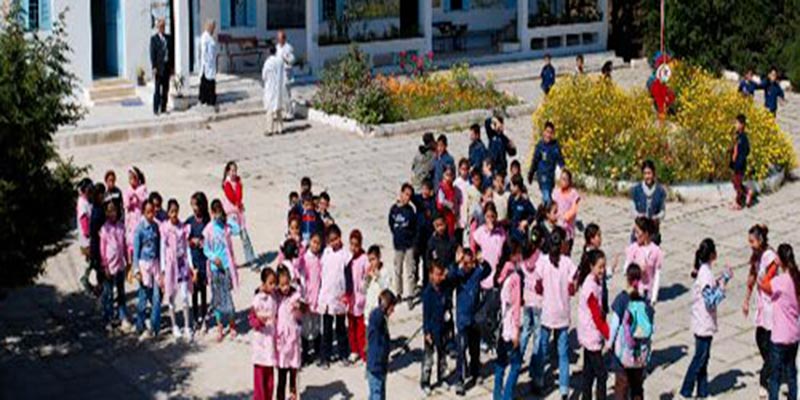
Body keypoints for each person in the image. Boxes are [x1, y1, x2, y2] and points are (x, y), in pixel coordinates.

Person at [679, 238, 731, 399]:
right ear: (713, 255)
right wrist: (724, 284)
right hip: (703, 322)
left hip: (701, 320)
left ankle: (702, 391)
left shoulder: (703, 271)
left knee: (704, 358)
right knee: (699, 358)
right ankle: (686, 391)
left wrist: (720, 279)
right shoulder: (705, 274)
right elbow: (711, 300)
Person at [530, 227, 578, 399]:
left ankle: (539, 381)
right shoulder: (567, 263)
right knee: (563, 353)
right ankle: (564, 390)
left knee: (543, 349)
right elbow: (574, 285)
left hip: (547, 313)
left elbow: (537, 285)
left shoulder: (543, 261)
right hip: (563, 314)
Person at [608, 263, 654, 400]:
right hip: (640, 354)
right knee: (637, 387)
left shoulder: (622, 299)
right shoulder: (645, 301)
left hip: (624, 354)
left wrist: (609, 343)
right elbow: (650, 326)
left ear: (627, 279)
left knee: (621, 386)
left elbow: (615, 324)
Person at [742, 224, 778, 397]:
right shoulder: (755, 256)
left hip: (772, 305)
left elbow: (769, 281)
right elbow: (751, 278)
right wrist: (746, 300)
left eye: (752, 241)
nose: (750, 244)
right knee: (760, 339)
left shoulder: (771, 257)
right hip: (762, 305)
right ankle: (772, 367)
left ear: (760, 240)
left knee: (769, 342)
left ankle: (765, 378)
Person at [450, 248, 491, 395]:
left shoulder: (476, 273)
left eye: (470, 263)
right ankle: (460, 380)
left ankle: (475, 372)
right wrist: (456, 263)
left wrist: (482, 261)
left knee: (475, 349)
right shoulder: (459, 276)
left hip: (474, 319)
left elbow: (488, 270)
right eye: (465, 263)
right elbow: (450, 276)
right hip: (462, 319)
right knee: (461, 350)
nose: (468, 266)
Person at [764, 244, 800, 400]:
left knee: (775, 377)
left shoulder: (780, 281)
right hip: (794, 335)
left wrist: (773, 266)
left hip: (779, 336)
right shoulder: (797, 278)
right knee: (791, 371)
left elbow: (764, 284)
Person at [203, 199, 240, 342]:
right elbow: (206, 249)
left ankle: (232, 326)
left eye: (220, 212)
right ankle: (220, 327)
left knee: (228, 298)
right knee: (217, 299)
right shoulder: (208, 230)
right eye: (216, 213)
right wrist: (213, 258)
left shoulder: (226, 227)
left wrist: (229, 218)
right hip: (214, 268)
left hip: (226, 267)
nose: (218, 216)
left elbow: (237, 229)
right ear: (212, 213)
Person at [577, 249, 609, 400]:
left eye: (604, 266)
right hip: (591, 333)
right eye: (600, 267)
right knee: (602, 374)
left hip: (589, 332)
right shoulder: (589, 287)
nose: (603, 270)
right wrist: (609, 334)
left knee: (588, 371)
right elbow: (596, 315)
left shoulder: (596, 280)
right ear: (591, 266)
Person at [494, 244, 524, 400]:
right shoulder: (515, 278)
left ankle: (497, 396)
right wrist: (517, 331)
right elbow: (517, 305)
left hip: (500, 325)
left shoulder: (501, 272)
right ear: (513, 255)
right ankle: (506, 397)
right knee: (516, 364)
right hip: (510, 325)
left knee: (500, 363)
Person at [160, 199, 193, 340]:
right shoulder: (165, 228)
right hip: (171, 266)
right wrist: (163, 268)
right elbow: (162, 248)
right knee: (172, 296)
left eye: (176, 211)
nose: (174, 214)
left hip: (182, 264)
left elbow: (187, 247)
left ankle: (187, 326)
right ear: (168, 212)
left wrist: (191, 265)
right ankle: (174, 326)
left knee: (185, 296)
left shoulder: (183, 227)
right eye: (172, 211)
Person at [319, 224, 350, 367]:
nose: (335, 242)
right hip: (327, 296)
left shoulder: (345, 254)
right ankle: (326, 357)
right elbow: (321, 274)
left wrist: (348, 293)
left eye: (336, 238)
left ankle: (344, 354)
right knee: (326, 328)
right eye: (332, 240)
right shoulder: (326, 253)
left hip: (340, 296)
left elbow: (348, 275)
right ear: (327, 241)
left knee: (341, 328)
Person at [133, 199, 162, 339]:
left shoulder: (156, 226)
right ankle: (140, 325)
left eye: (153, 212)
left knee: (157, 297)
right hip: (144, 265)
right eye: (148, 212)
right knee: (143, 297)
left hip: (155, 264)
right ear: (144, 212)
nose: (151, 215)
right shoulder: (139, 229)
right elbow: (136, 251)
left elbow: (159, 248)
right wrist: (136, 270)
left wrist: (162, 269)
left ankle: (154, 326)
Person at [99, 201, 130, 331]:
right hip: (109, 265)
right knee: (108, 293)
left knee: (121, 292)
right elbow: (102, 249)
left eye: (114, 210)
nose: (112, 213)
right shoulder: (104, 229)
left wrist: (128, 261)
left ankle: (122, 316)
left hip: (120, 264)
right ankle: (108, 318)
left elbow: (124, 245)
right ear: (105, 213)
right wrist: (105, 265)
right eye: (109, 210)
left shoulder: (121, 226)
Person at [275, 265, 304, 400]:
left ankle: (293, 395)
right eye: (282, 285)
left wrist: (299, 307)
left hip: (293, 340)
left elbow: (301, 314)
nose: (285, 287)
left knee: (293, 372)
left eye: (287, 283)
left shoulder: (295, 295)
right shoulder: (276, 297)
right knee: (281, 375)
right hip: (281, 342)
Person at [421, 260, 449, 395]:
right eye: (437, 274)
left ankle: (442, 377)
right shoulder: (428, 293)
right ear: (431, 275)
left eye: (441, 274)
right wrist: (427, 332)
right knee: (428, 359)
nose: (439, 277)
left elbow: (447, 307)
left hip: (442, 329)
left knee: (442, 356)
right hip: (431, 331)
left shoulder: (444, 289)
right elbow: (425, 315)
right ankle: (425, 382)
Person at [222, 161, 257, 266]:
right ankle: (228, 260)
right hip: (229, 214)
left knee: (245, 236)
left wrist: (238, 185)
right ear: (227, 171)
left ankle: (251, 259)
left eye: (235, 170)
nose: (233, 173)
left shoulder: (238, 182)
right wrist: (238, 204)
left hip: (238, 213)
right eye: (231, 170)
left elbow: (239, 195)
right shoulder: (227, 184)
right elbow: (232, 197)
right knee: (226, 238)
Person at [250, 268, 278, 400]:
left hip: (270, 341)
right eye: (270, 283)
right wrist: (259, 322)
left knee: (270, 378)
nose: (273, 286)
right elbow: (251, 319)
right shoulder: (257, 299)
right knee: (260, 377)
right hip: (260, 341)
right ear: (263, 283)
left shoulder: (274, 298)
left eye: (274, 283)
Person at [624, 217, 664, 305]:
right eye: (635, 232)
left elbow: (657, 274)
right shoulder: (633, 249)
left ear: (646, 233)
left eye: (638, 232)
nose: (636, 235)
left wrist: (654, 297)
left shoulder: (656, 251)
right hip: (635, 292)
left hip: (648, 292)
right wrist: (637, 270)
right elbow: (626, 270)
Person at [366, 290, 398, 400]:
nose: (393, 310)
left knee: (380, 394)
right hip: (375, 366)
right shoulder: (376, 317)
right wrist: (383, 306)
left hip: (382, 366)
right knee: (376, 394)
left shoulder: (382, 320)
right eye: (392, 307)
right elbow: (376, 316)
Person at [186, 192, 211, 332]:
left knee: (203, 291)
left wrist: (203, 242)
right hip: (193, 261)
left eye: (196, 204)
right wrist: (191, 241)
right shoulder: (189, 222)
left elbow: (212, 238)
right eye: (192, 204)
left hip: (204, 261)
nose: (194, 207)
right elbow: (183, 238)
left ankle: (204, 317)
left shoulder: (207, 221)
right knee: (194, 291)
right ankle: (195, 318)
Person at [389, 183, 417, 303]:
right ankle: (399, 293)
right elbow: (390, 223)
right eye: (405, 194)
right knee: (398, 270)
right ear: (401, 193)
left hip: (409, 245)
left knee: (410, 270)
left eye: (409, 196)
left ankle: (411, 294)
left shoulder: (410, 211)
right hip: (398, 245)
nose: (407, 198)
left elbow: (414, 226)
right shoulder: (394, 209)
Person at [300, 232, 323, 364]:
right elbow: (303, 278)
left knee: (316, 324)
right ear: (309, 242)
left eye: (318, 243)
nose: (316, 245)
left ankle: (317, 351)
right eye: (314, 242)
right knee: (306, 325)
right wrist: (304, 297)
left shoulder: (319, 258)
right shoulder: (305, 259)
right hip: (307, 296)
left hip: (317, 296)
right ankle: (305, 353)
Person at [630, 159, 666, 245]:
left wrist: (657, 217)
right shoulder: (636, 190)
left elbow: (662, 211)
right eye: (645, 173)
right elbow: (632, 208)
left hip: (653, 231)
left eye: (649, 173)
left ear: (653, 174)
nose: (647, 176)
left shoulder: (660, 191)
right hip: (639, 231)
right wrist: (638, 215)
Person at [527, 121, 564, 204]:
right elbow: (535, 161)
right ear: (544, 132)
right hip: (542, 176)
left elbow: (560, 160)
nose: (548, 135)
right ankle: (548, 211)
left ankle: (543, 212)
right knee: (547, 196)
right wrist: (531, 173)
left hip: (551, 176)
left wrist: (563, 170)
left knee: (548, 195)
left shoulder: (555, 146)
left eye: (551, 133)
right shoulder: (540, 146)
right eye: (547, 132)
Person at [346, 230, 369, 363]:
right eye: (352, 244)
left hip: (360, 298)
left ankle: (363, 351)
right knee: (351, 327)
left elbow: (367, 276)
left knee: (361, 328)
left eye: (356, 245)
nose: (354, 248)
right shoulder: (348, 257)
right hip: (350, 298)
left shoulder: (364, 258)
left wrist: (363, 287)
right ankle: (354, 350)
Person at [552, 169, 580, 254]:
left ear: (569, 181)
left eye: (564, 179)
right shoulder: (556, 192)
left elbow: (574, 209)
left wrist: (565, 217)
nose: (562, 181)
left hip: (568, 228)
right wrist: (552, 215)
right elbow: (553, 205)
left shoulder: (573, 194)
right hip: (557, 226)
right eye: (561, 179)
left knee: (566, 253)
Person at [125, 167, 148, 259]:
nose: (131, 180)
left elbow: (145, 201)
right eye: (129, 178)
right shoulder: (128, 190)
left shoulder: (142, 188)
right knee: (131, 238)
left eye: (133, 178)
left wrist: (137, 197)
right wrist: (129, 201)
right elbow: (126, 205)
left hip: (139, 215)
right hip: (131, 217)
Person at [262, 44, 286, 136]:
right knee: (278, 109)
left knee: (270, 110)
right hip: (278, 87)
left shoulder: (268, 62)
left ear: (269, 52)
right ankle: (281, 128)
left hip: (270, 87)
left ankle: (270, 129)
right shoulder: (280, 61)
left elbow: (264, 76)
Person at [149, 18, 172, 115]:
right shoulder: (154, 39)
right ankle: (155, 109)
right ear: (157, 27)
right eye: (160, 26)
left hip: (166, 67)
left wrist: (172, 66)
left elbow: (171, 52)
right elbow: (152, 54)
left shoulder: (168, 38)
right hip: (158, 68)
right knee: (157, 89)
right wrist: (154, 67)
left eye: (163, 26)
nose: (162, 28)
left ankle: (163, 107)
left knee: (166, 89)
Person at [364, 245, 391, 323]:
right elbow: (363, 291)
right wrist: (367, 279)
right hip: (369, 311)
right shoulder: (369, 272)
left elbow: (386, 290)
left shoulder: (385, 272)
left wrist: (378, 277)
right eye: (370, 260)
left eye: (373, 259)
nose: (372, 263)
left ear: (379, 257)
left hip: (379, 312)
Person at [730, 114, 751, 209]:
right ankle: (747, 191)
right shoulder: (738, 136)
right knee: (736, 182)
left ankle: (738, 203)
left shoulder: (743, 138)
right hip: (736, 164)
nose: (735, 125)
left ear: (742, 125)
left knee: (737, 184)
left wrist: (738, 163)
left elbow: (746, 151)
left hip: (740, 165)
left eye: (737, 123)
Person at [76, 178, 94, 293]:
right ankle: (85, 278)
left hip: (89, 238)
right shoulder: (82, 203)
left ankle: (85, 278)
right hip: (87, 239)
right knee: (91, 261)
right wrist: (89, 233)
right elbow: (84, 221)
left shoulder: (87, 201)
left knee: (90, 261)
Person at [275, 30, 296, 119]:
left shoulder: (288, 48)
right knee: (281, 94)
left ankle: (290, 113)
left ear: (284, 38)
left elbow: (292, 60)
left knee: (287, 94)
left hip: (286, 73)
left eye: (280, 38)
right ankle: (283, 111)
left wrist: (286, 59)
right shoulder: (277, 47)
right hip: (279, 73)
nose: (279, 40)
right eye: (278, 38)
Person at [198, 19, 218, 108]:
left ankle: (210, 100)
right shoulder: (205, 37)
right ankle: (206, 100)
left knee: (210, 82)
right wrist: (206, 63)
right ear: (209, 27)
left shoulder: (210, 36)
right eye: (213, 27)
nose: (214, 29)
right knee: (207, 83)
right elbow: (204, 52)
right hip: (207, 65)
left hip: (211, 64)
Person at [436, 165, 458, 237]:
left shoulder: (451, 187)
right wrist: (450, 205)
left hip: (451, 215)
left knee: (451, 232)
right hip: (444, 214)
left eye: (450, 175)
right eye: (447, 175)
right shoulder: (442, 187)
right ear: (443, 175)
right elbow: (441, 200)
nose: (449, 177)